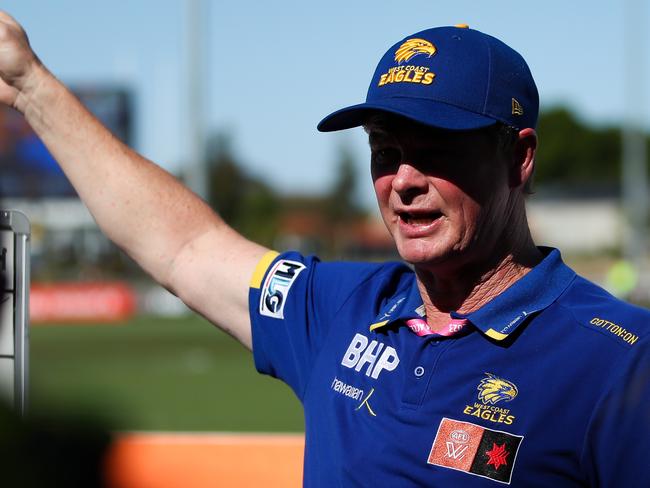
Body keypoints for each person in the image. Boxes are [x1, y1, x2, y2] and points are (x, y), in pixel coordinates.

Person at [0, 12, 649, 487]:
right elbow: (186, 246)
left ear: (520, 157)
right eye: (386, 153)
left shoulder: (621, 360)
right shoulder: (338, 306)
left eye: (437, 152)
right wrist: (30, 84)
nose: (404, 181)